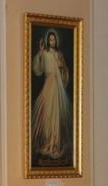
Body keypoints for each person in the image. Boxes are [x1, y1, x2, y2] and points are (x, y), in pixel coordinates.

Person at [31, 30, 72, 161]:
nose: (52, 41)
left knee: (56, 116)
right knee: (47, 115)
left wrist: (62, 67)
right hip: (48, 85)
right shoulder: (45, 53)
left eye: (53, 39)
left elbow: (65, 74)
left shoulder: (59, 55)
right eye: (50, 39)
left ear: (56, 41)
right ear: (48, 41)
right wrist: (40, 52)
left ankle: (55, 144)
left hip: (57, 87)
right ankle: (47, 142)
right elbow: (37, 69)